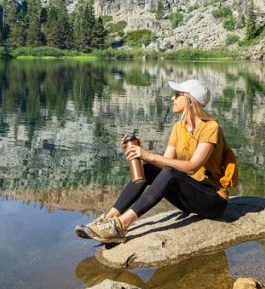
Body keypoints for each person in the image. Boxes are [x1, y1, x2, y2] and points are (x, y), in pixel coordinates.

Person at [77, 78, 238, 244]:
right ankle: (109, 218)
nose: (172, 99)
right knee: (149, 170)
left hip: (212, 201)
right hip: (189, 200)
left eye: (177, 95)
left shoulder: (211, 127)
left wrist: (148, 155)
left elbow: (191, 167)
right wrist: (139, 151)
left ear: (190, 100)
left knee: (169, 172)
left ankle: (121, 226)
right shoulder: (178, 127)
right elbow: (165, 163)